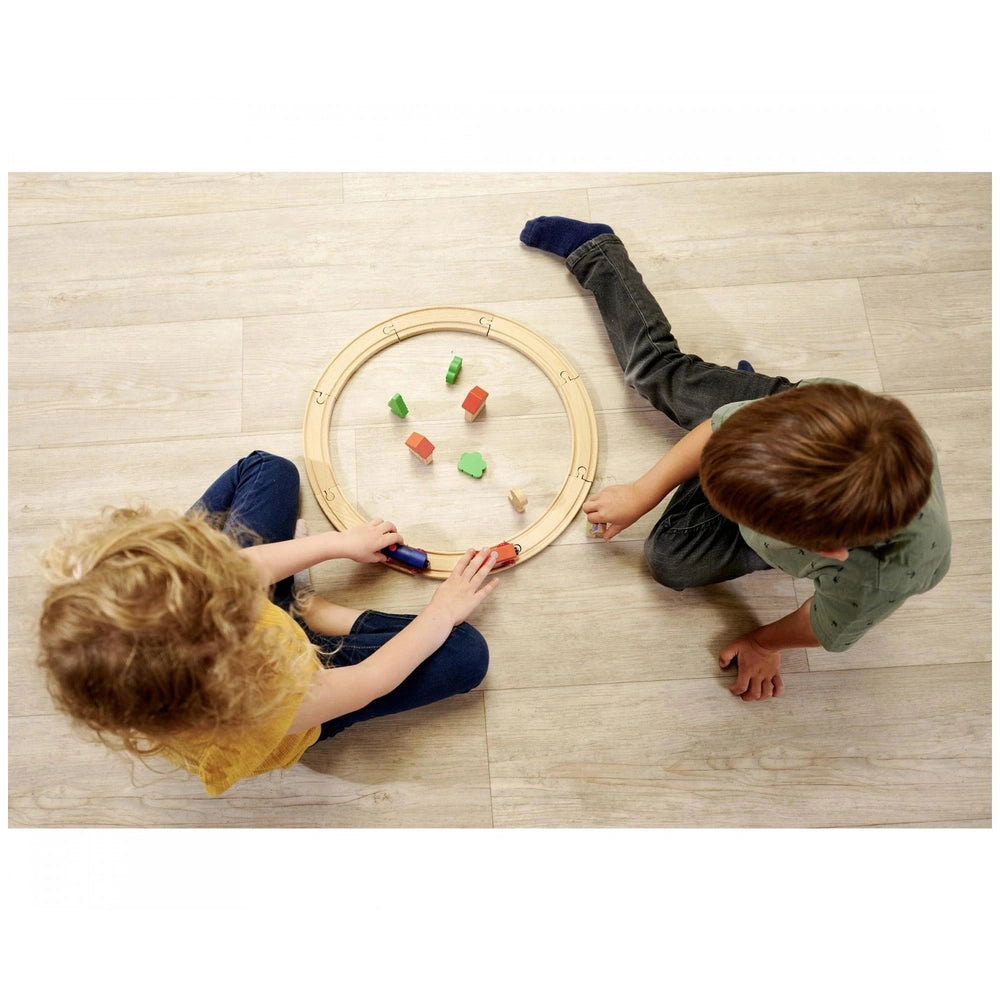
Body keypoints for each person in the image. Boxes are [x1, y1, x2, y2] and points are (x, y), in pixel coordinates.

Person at [520, 216, 951, 701]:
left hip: (785, 480)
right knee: (657, 374)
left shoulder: (878, 579)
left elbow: (820, 622)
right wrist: (643, 493)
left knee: (668, 562)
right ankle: (596, 251)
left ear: (822, 550)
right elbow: (718, 430)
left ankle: (734, 404)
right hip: (776, 411)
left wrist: (763, 641)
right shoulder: (820, 415)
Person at [37, 450, 498, 796]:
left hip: (227, 644)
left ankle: (295, 607)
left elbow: (245, 567)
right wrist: (440, 611)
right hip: (304, 686)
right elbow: (372, 678)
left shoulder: (148, 605)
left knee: (268, 469)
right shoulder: (263, 701)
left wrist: (342, 543)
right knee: (466, 652)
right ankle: (311, 613)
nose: (227, 570)